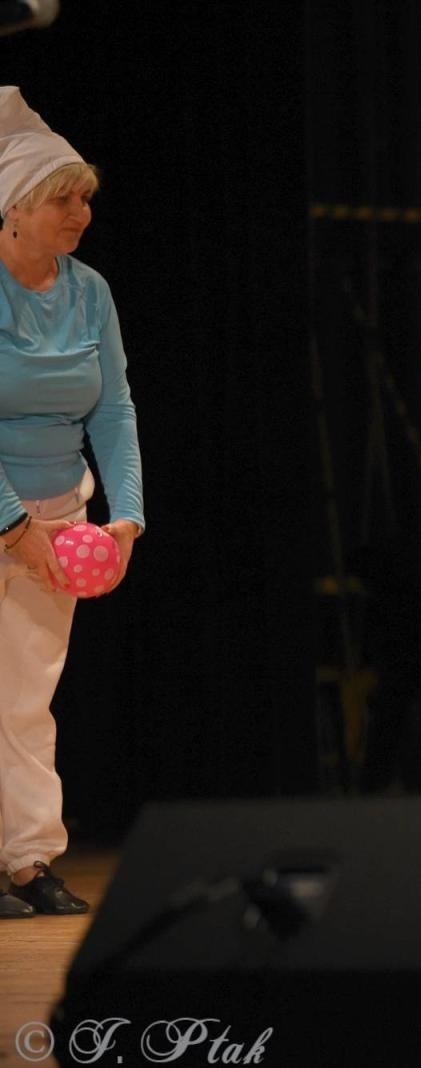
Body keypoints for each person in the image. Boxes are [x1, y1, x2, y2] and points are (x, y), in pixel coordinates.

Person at [0, 87, 144, 918]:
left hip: (60, 520)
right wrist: (12, 526)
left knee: (26, 700)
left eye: (85, 197)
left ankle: (29, 862)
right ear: (16, 206)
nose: (80, 212)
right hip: (13, 519)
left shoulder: (90, 291)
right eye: (64, 197)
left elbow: (114, 408)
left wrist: (124, 517)